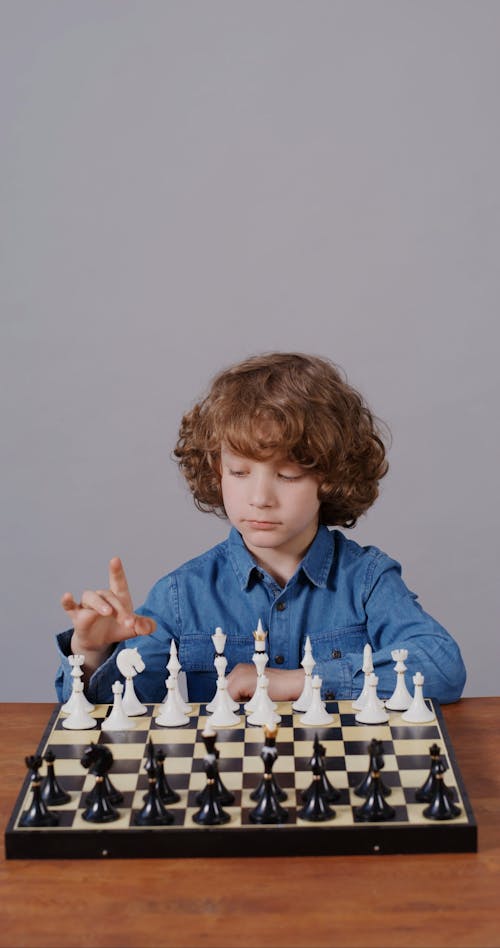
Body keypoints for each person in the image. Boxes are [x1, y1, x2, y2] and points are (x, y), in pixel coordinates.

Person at [55, 352, 466, 705]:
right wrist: (92, 653)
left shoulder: (367, 580)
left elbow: (442, 666)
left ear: (330, 477)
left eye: (287, 475)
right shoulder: (183, 595)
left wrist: (299, 682)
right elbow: (120, 708)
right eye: (239, 472)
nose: (260, 497)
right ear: (217, 471)